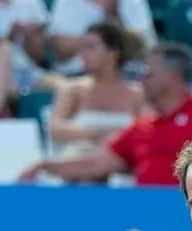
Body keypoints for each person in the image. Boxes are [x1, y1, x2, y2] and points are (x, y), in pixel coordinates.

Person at [19, 43, 192, 185]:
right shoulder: (141, 128)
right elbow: (96, 164)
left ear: (172, 76)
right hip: (146, 221)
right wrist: (45, 165)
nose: (142, 80)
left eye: (149, 74)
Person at [48, 21, 144, 156]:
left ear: (113, 52)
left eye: (90, 47)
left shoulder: (137, 93)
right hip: (77, 161)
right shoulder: (72, 89)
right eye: (82, 48)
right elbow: (55, 129)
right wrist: (99, 135)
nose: (83, 54)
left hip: (122, 160)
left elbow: (147, 131)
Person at [48, 0, 155, 75]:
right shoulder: (67, 2)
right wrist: (97, 43)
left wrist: (112, 13)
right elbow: (61, 50)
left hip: (125, 74)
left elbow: (141, 48)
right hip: (76, 74)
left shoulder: (133, 2)